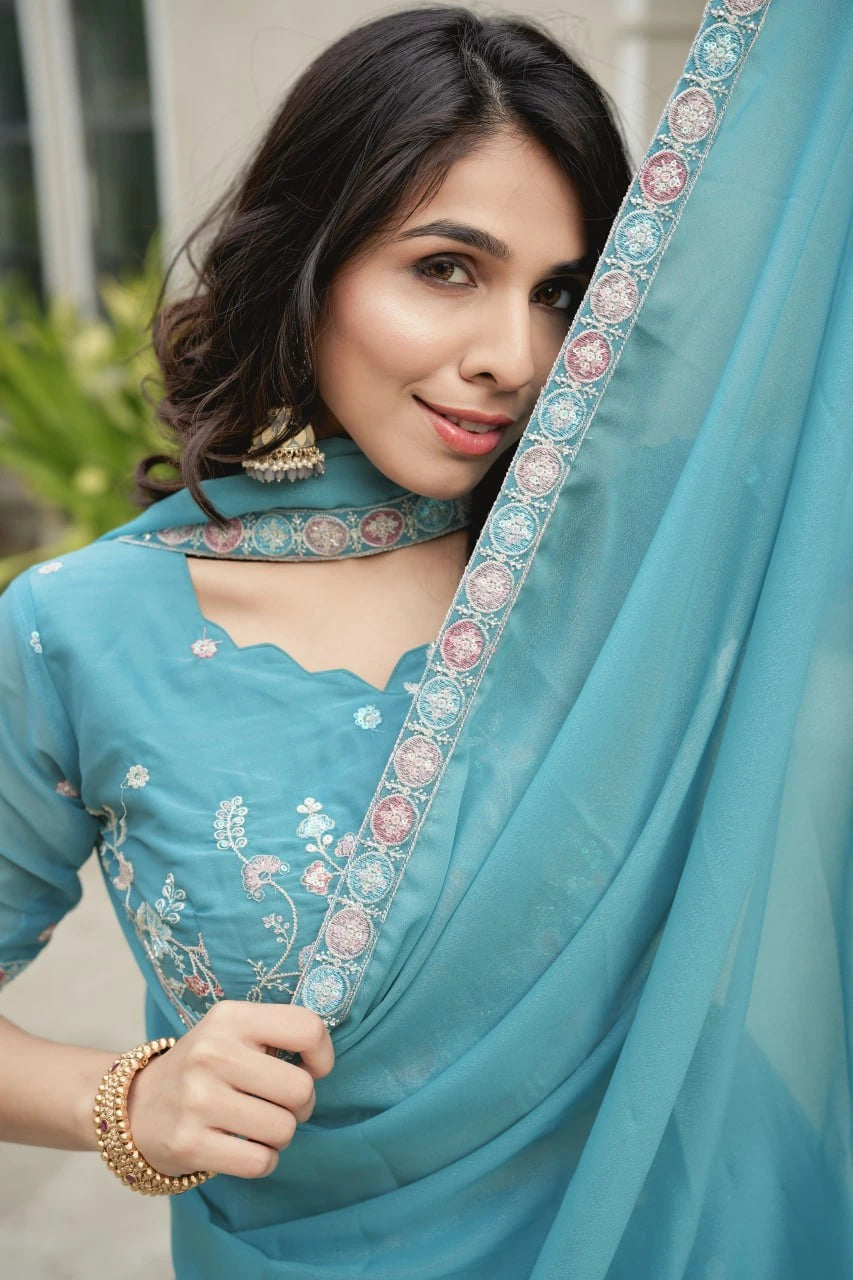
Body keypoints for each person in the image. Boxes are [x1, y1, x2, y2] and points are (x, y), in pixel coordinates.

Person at [1, 3, 851, 1278]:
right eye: (446, 267)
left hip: (694, 1223)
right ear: (312, 258)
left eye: (563, 292)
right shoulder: (82, 629)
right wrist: (128, 1100)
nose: (513, 357)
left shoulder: (628, 572)